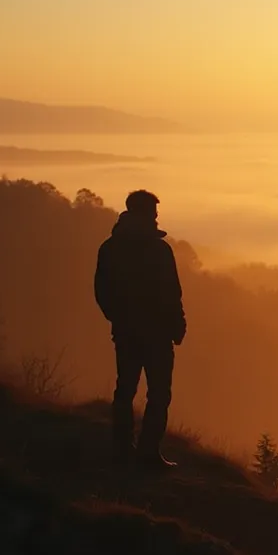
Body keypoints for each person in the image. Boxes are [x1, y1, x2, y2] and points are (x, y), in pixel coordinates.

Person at [93, 190, 186, 469]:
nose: (156, 218)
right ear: (143, 213)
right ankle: (148, 453)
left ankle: (122, 450)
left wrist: (118, 319)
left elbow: (102, 291)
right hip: (157, 333)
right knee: (158, 393)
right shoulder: (160, 250)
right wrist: (177, 324)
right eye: (153, 213)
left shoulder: (110, 248)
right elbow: (172, 292)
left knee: (125, 389)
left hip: (127, 332)